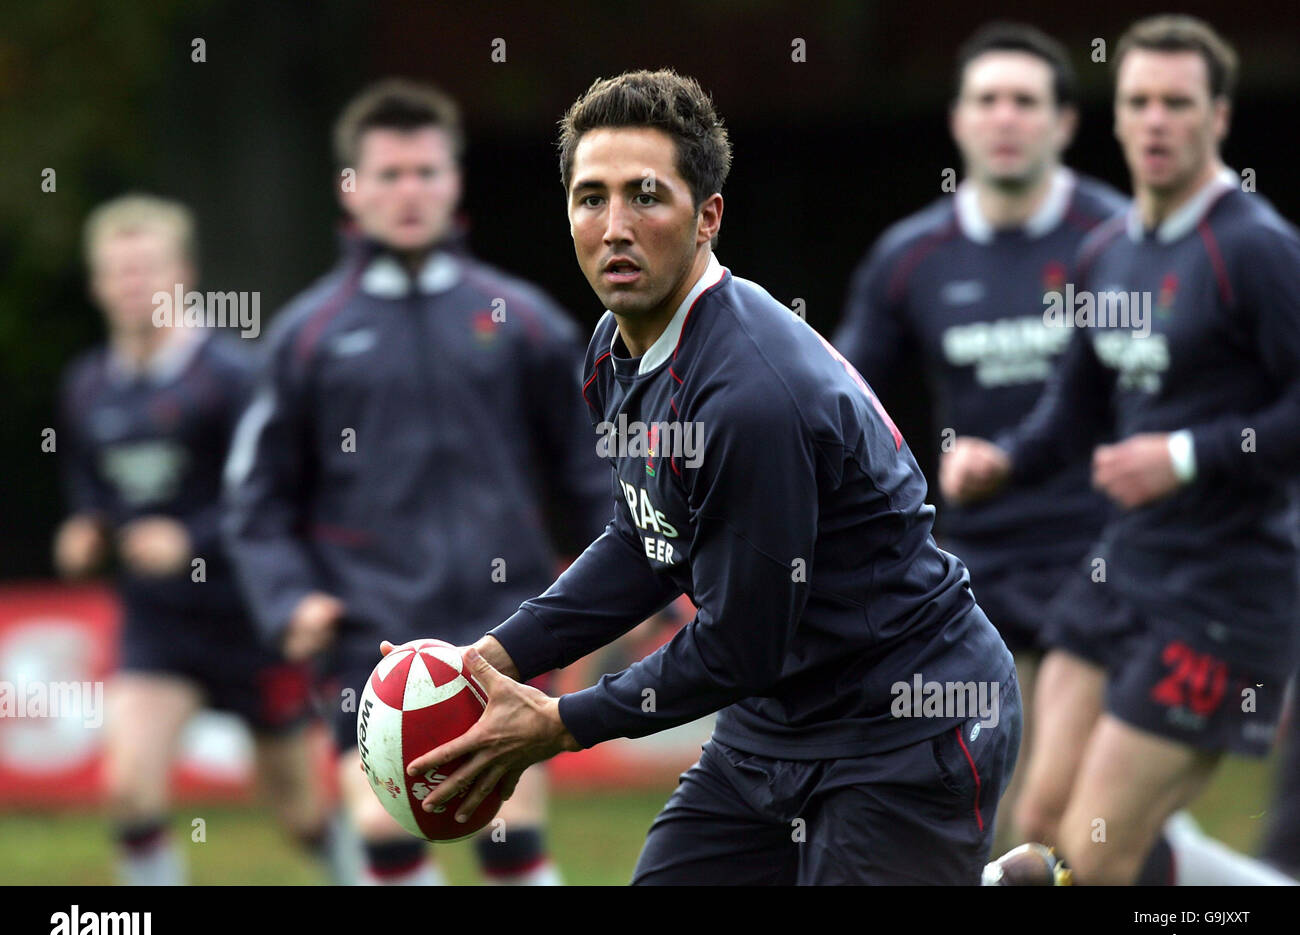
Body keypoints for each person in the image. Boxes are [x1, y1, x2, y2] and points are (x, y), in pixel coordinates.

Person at [392, 68, 1022, 885]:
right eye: (591, 198)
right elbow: (645, 539)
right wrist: (493, 657)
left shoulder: (751, 396)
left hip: (903, 727)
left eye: (645, 196)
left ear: (707, 217)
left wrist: (563, 721)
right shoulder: (617, 352)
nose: (614, 226)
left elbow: (738, 644)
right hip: (773, 728)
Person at [223, 80, 609, 885]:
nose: (410, 191)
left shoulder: (522, 318)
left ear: (455, 182)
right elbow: (254, 498)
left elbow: (589, 468)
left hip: (504, 621)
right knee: (388, 828)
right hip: (367, 625)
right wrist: (287, 597)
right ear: (351, 188)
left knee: (508, 829)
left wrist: (626, 585)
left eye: (427, 172)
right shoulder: (308, 337)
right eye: (390, 173)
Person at [945, 15, 1300, 885]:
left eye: (1178, 102)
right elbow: (1073, 416)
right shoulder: (1106, 255)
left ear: (1219, 116)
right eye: (1138, 100)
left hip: (1226, 588)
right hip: (1124, 567)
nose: (1155, 121)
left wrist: (1185, 456)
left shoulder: (1254, 248)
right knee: (1039, 820)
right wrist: (1003, 462)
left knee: (1094, 855)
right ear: (1115, 117)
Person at [833, 22, 1125, 854]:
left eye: (1026, 101)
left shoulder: (1115, 242)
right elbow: (842, 407)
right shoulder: (910, 256)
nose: (1006, 117)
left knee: (1064, 819)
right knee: (975, 808)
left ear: (1064, 123)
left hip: (1102, 555)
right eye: (987, 100)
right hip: (971, 568)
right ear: (959, 121)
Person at [56, 194, 333, 885]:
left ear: (182, 273)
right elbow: (93, 488)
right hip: (159, 622)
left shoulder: (234, 377)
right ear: (96, 283)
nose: (132, 284)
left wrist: (192, 539)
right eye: (117, 271)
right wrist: (86, 529)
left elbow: (277, 498)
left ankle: (365, 870)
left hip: (250, 619)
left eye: (145, 268)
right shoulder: (87, 386)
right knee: (127, 789)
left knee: (299, 811)